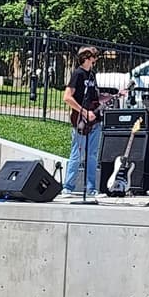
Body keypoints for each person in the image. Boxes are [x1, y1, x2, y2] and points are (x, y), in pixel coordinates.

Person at [61, 46, 103, 197]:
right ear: (87, 57)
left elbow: (94, 98)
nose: (96, 59)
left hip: (95, 121)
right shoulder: (78, 74)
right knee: (77, 154)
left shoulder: (92, 75)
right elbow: (67, 97)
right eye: (94, 56)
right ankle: (68, 186)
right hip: (81, 120)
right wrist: (84, 112)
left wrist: (111, 97)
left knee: (92, 155)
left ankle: (91, 188)